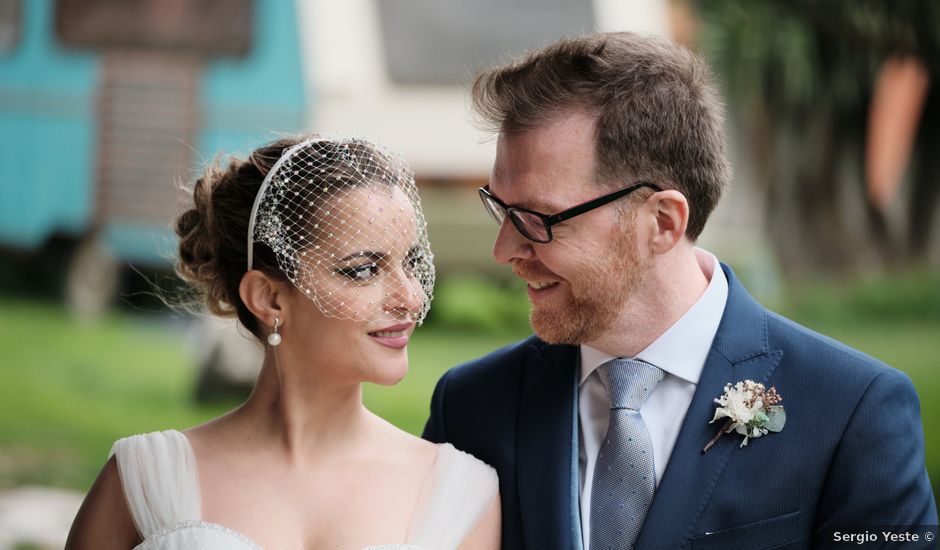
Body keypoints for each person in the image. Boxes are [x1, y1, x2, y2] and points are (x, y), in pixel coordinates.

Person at [423, 32, 937, 549]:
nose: (504, 249)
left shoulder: (851, 410)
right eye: (501, 208)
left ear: (663, 222)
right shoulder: (470, 408)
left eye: (537, 219)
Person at [66, 135, 501, 550]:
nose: (410, 297)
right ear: (269, 297)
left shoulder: (459, 493)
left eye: (410, 263)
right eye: (364, 269)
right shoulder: (143, 478)